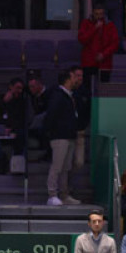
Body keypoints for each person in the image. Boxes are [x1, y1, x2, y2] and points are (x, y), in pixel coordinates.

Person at [43, 66, 84, 206]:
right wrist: (51, 132)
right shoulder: (58, 95)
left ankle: (64, 194)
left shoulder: (70, 96)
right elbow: (51, 116)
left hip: (69, 136)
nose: (76, 79)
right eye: (74, 77)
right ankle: (52, 194)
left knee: (66, 167)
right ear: (68, 79)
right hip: (59, 136)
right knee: (57, 166)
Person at [78, 4, 120, 89]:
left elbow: (115, 44)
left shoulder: (110, 25)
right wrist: (94, 29)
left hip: (105, 62)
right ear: (93, 13)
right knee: (88, 88)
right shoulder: (86, 23)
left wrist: (103, 54)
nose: (99, 17)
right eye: (97, 14)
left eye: (101, 14)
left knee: (104, 88)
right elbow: (82, 39)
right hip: (89, 62)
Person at [0, 78, 26, 153]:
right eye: (18, 88)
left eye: (21, 89)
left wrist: (10, 128)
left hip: (12, 130)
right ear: (11, 87)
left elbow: (21, 119)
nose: (20, 91)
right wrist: (4, 102)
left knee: (20, 135)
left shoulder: (21, 102)